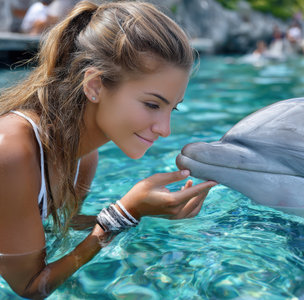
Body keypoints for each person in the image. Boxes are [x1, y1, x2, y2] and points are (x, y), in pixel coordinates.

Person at [0, 1, 216, 298]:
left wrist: (148, 212)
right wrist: (124, 213)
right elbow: (29, 285)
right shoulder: (11, 150)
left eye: (172, 109)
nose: (165, 129)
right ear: (95, 85)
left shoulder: (84, 157)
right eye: (152, 105)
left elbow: (53, 229)